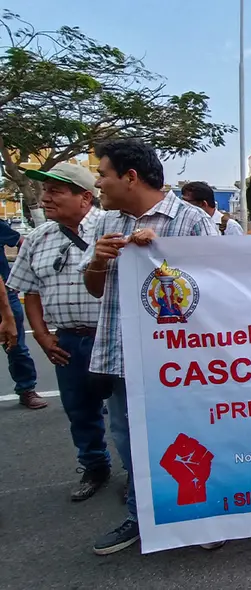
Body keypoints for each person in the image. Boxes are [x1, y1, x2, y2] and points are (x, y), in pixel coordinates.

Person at [79, 139, 223, 555]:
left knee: (189, 437)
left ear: (130, 176)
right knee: (127, 437)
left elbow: (219, 287)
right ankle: (141, 515)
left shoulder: (191, 221)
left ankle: (201, 516)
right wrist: (98, 261)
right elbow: (94, 290)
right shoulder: (108, 224)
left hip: (179, 361)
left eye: (103, 173)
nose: (98, 182)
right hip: (124, 357)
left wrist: (163, 259)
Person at [9, 162, 112, 501]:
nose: (46, 197)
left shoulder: (111, 230)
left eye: (56, 191)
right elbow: (30, 292)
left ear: (85, 197)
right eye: (45, 190)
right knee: (79, 410)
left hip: (112, 337)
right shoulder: (38, 239)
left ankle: (135, 471)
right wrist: (41, 335)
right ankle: (94, 466)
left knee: (127, 412)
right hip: (68, 339)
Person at [0, 214, 42, 409]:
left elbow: (21, 241)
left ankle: (26, 389)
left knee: (15, 344)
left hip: (5, 293)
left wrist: (16, 275)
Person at [179, 181, 244, 236]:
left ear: (204, 204)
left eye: (187, 202)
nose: (183, 206)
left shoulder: (230, 227)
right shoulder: (185, 224)